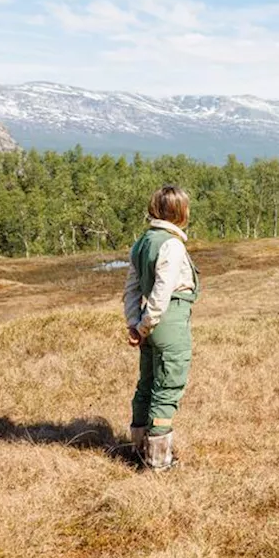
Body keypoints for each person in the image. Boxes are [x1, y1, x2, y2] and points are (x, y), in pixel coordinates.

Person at [123, 185, 201, 471]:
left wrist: (134, 324)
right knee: (167, 386)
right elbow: (162, 292)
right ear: (179, 212)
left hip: (149, 322)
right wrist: (145, 325)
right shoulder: (172, 244)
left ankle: (138, 449)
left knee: (146, 385)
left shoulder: (142, 241)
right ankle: (158, 462)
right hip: (168, 321)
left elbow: (131, 288)